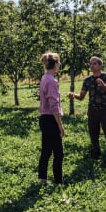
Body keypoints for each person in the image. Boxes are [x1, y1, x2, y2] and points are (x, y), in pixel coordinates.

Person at [67, 56, 106, 159]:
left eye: (94, 64)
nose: (91, 66)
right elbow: (81, 96)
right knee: (93, 135)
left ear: (100, 65)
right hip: (92, 111)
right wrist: (73, 95)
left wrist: (104, 85)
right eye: (90, 64)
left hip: (105, 110)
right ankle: (95, 155)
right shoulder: (87, 80)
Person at [38, 52, 65, 185]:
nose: (59, 65)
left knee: (46, 150)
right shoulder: (52, 81)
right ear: (55, 64)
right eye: (58, 63)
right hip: (50, 119)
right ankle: (59, 182)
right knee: (58, 153)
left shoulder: (44, 78)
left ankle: (43, 179)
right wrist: (60, 125)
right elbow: (54, 105)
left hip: (43, 118)